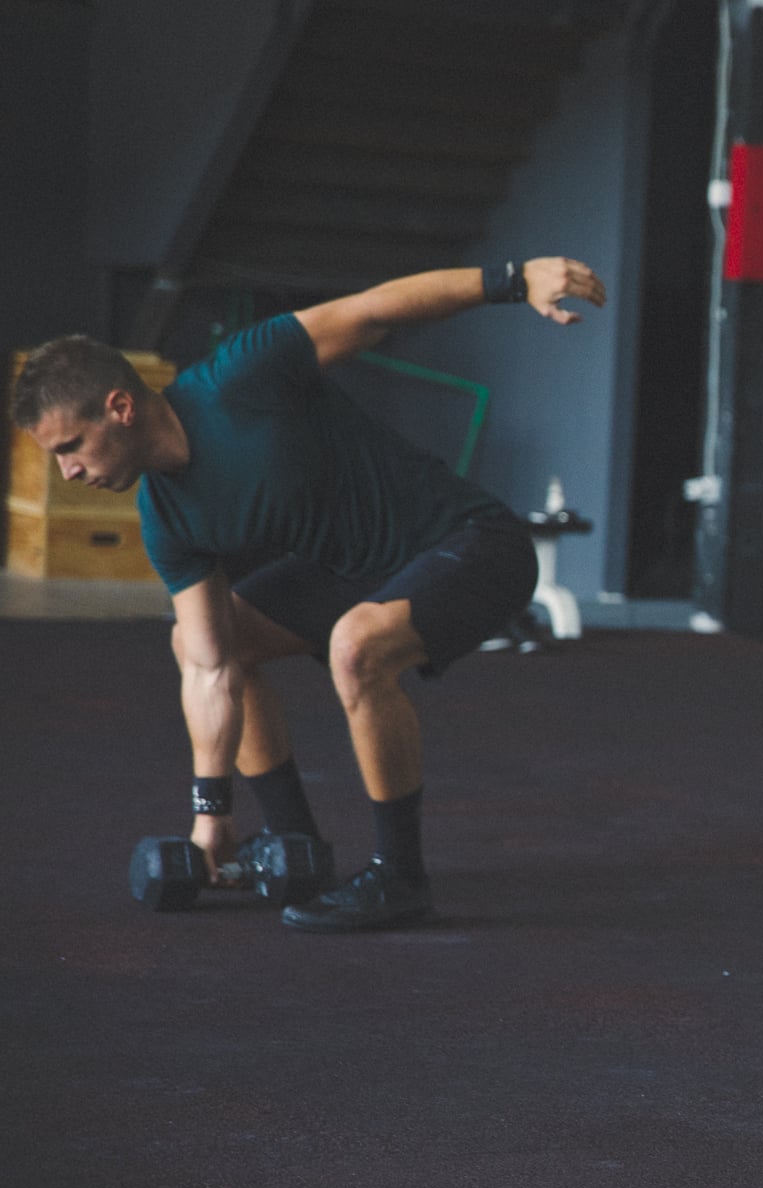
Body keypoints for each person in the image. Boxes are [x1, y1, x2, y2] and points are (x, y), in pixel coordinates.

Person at [14, 257, 606, 932]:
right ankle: (297, 846)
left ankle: (400, 877)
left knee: (357, 645)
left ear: (119, 407)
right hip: (356, 573)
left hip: (471, 541)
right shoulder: (167, 517)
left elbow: (373, 308)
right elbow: (210, 666)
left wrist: (511, 279)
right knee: (202, 636)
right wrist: (211, 816)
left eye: (72, 446)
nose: (69, 471)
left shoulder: (241, 376)